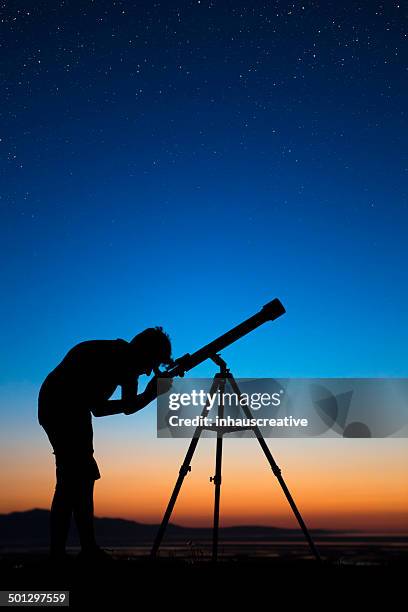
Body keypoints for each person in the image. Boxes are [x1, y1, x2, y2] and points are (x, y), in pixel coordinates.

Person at [38, 327, 173, 562]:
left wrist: (150, 393)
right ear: (144, 352)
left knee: (79, 478)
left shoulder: (124, 359)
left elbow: (113, 407)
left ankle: (81, 550)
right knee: (73, 480)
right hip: (61, 408)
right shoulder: (117, 360)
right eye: (152, 363)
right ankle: (67, 553)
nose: (150, 371)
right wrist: (152, 394)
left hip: (68, 409)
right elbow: (109, 408)